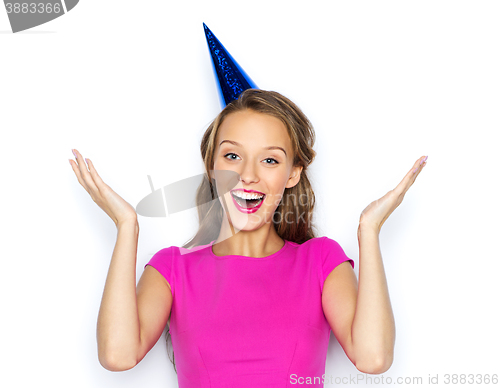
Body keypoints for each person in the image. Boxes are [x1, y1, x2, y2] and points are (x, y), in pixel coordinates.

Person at [69, 89, 427, 387]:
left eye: (269, 161)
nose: (248, 176)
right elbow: (117, 355)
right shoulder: (173, 268)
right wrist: (126, 225)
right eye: (232, 156)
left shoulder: (320, 261)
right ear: (213, 167)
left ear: (292, 174)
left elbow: (373, 357)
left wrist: (369, 230)